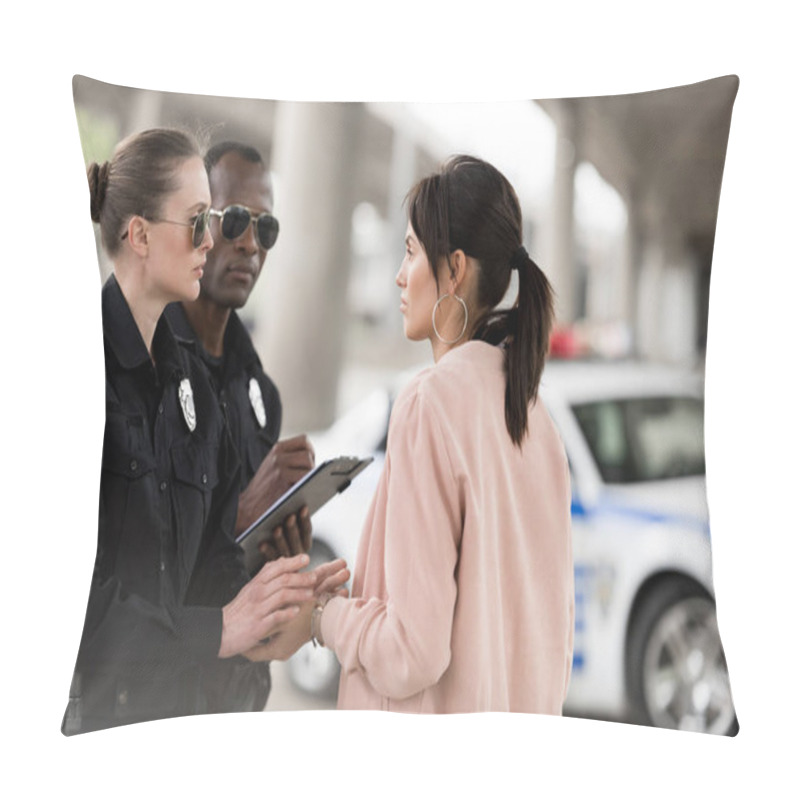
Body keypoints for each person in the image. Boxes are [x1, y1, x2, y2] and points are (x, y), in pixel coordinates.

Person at [63, 128, 347, 735]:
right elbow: (68, 606)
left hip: (188, 718)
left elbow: (205, 571)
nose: (215, 241)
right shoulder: (74, 376)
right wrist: (222, 628)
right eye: (201, 222)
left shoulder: (198, 389)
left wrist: (279, 594)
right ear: (139, 235)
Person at [309, 155, 574, 714]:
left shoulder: (430, 404)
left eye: (409, 252)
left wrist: (324, 617)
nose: (400, 276)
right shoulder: (536, 420)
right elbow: (552, 646)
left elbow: (413, 652)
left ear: (454, 269)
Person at [164, 140, 316, 712]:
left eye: (265, 227)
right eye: (234, 220)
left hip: (242, 697)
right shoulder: (149, 375)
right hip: (166, 702)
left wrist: (284, 546)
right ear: (197, 222)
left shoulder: (262, 394)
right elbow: (142, 581)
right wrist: (245, 510)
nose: (250, 242)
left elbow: (244, 562)